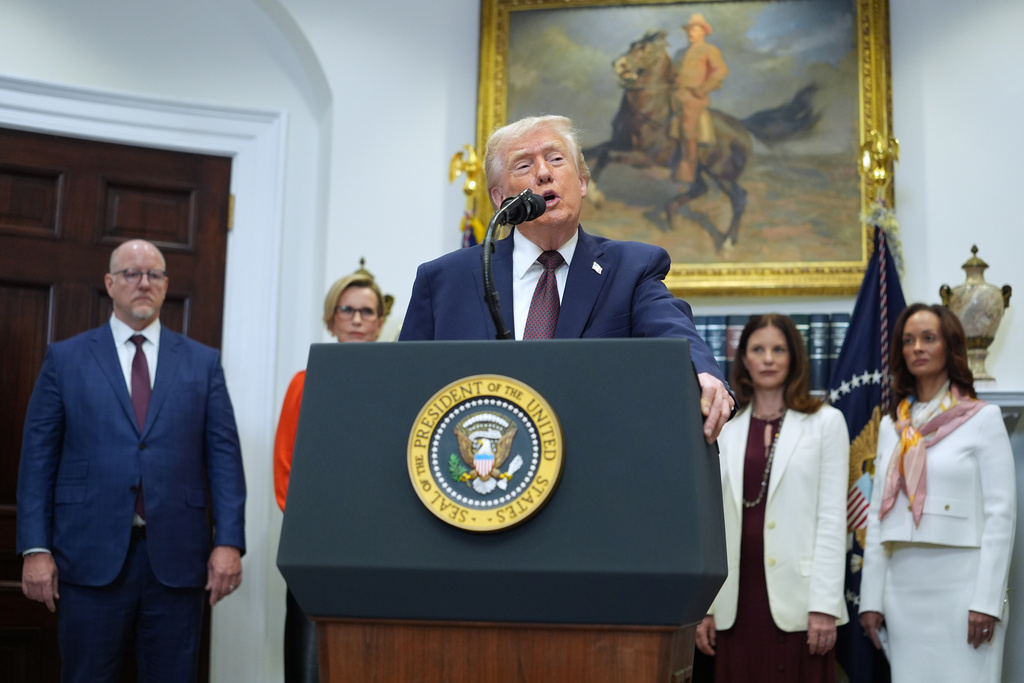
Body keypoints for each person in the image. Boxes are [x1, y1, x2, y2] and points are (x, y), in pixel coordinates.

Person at [399, 114, 734, 442]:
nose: (544, 173)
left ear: (583, 182)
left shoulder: (631, 269)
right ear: (501, 198)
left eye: (556, 159)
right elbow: (405, 393)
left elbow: (673, 331)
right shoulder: (444, 281)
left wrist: (703, 373)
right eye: (524, 165)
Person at [17, 239, 246, 682]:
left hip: (177, 562)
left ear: (165, 286)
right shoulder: (65, 359)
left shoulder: (202, 363)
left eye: (154, 275)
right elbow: (38, 461)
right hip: (86, 559)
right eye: (131, 273)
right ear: (110, 283)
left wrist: (229, 542)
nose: (144, 283)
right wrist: (36, 548)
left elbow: (224, 458)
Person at [859, 303, 1015, 682]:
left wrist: (987, 601)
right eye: (909, 340)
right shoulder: (893, 428)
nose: (917, 348)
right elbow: (878, 517)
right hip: (902, 589)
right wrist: (871, 599)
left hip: (963, 588)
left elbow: (1001, 515)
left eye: (929, 338)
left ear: (950, 347)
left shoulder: (982, 418)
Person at [696, 314, 849, 682]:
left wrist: (825, 605)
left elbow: (832, 519)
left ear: (794, 357)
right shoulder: (722, 426)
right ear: (743, 359)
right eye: (758, 349)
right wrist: (707, 607)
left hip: (801, 600)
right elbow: (707, 523)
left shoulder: (826, 423)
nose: (768, 359)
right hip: (735, 598)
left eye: (778, 349)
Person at [274, 265, 391, 683]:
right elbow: (286, 471)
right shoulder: (305, 384)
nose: (357, 319)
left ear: (380, 321)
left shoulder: (397, 383)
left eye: (367, 311)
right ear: (331, 318)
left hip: (381, 550)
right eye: (347, 310)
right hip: (317, 550)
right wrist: (323, 529)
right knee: (309, 665)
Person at [671, 13, 729, 184]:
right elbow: (674, 72)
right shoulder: (681, 52)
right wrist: (674, 79)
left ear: (703, 31)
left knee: (688, 129)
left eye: (694, 30)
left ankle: (688, 170)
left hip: (694, 97)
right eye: (689, 30)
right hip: (675, 95)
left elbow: (721, 71)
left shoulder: (709, 50)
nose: (690, 33)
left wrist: (704, 89)